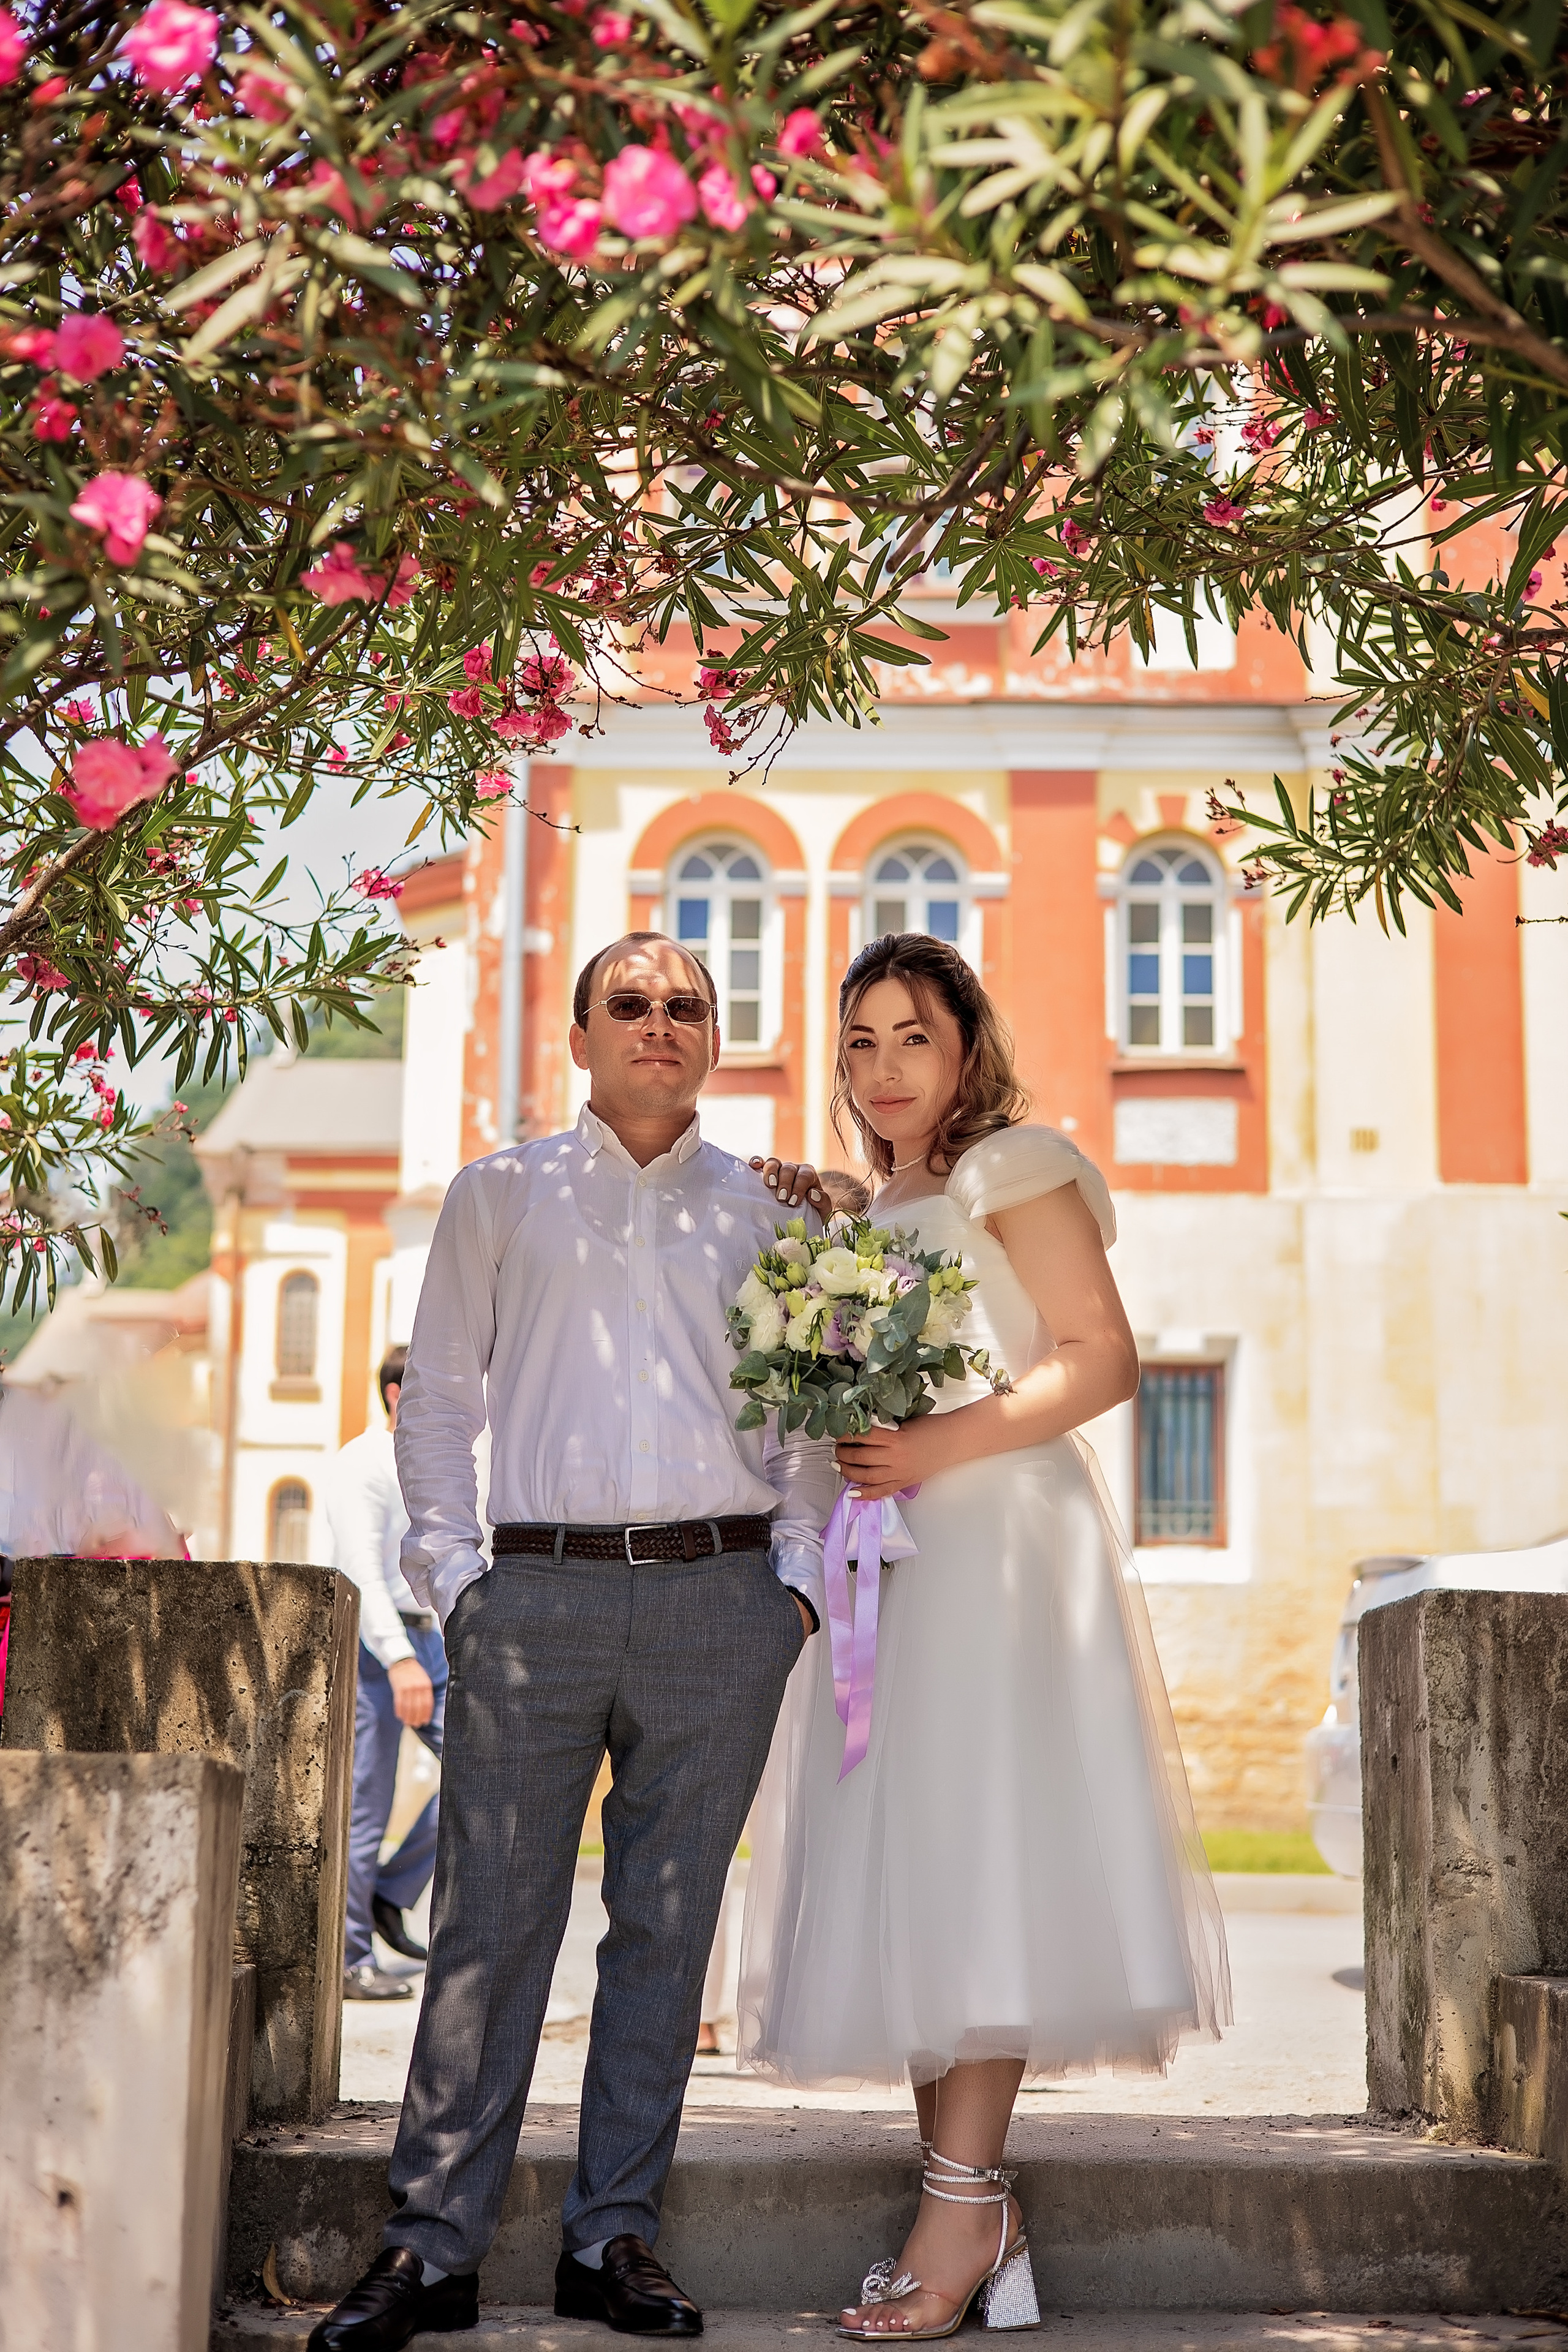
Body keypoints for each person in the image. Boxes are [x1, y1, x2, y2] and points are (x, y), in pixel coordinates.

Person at [309, 932, 835, 2352]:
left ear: (712, 1038)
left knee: (665, 1931)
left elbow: (811, 1419)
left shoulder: (772, 1210)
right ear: (581, 1032)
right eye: (631, 1002)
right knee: (488, 1930)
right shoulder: (498, 1193)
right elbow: (438, 1406)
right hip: (530, 1601)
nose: (659, 1022)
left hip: (719, 1604)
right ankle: (429, 2251)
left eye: (686, 1005)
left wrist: (788, 1584)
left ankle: (615, 2241)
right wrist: (456, 1579)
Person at [737, 932, 1231, 2342]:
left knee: (981, 1852)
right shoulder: (870, 1207)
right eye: (858, 1041)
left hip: (993, 1544)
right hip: (885, 1554)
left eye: (911, 1037)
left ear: (966, 1051)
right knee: (914, 1871)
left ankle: (960, 2206)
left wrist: (931, 1444)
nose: (881, 1067)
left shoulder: (1012, 1166)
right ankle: (963, 2200)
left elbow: (1097, 1353)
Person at [328, 1345, 448, 2002]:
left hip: (436, 1638)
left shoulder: (439, 1466)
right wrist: (398, 1656)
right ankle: (349, 1960)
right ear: (398, 1395)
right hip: (376, 1643)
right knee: (364, 1801)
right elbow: (360, 1570)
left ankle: (390, 1894)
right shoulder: (362, 1463)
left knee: (478, 1771)